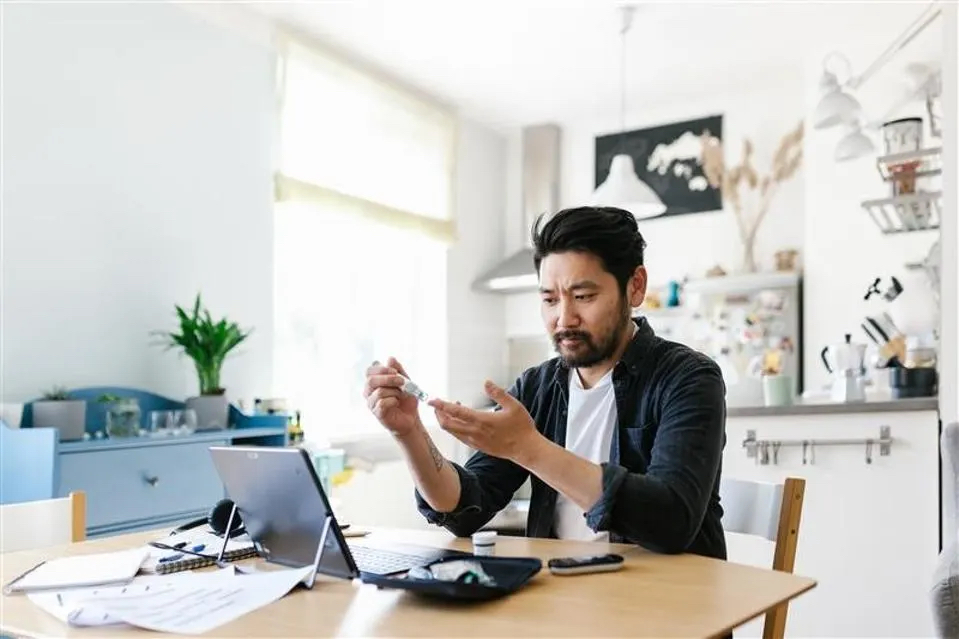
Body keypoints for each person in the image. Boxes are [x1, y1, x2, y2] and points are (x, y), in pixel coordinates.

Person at [363, 206, 727, 559]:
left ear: (635, 286)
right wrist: (409, 432)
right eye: (550, 299)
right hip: (561, 601)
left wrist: (528, 448)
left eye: (583, 296)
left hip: (668, 610)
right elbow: (464, 508)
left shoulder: (688, 378)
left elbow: (672, 522)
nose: (564, 318)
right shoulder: (538, 387)